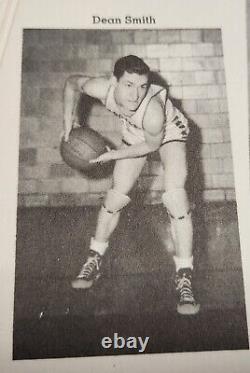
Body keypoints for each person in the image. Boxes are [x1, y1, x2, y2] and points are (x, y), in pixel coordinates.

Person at [62, 55, 200, 315]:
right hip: (136, 133)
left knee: (175, 196)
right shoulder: (101, 88)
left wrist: (112, 154)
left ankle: (184, 275)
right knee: (115, 197)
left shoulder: (153, 112)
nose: (136, 94)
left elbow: (151, 145)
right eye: (128, 85)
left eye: (142, 86)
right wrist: (68, 123)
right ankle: (94, 259)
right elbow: (71, 83)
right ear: (114, 82)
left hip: (168, 133)